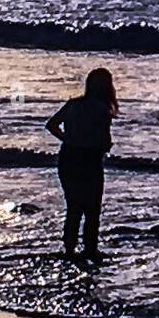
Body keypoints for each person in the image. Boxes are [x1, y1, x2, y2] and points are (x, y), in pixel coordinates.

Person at [46, 68, 118, 261]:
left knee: (74, 206)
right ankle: (90, 249)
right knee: (92, 208)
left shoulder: (74, 104)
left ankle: (69, 248)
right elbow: (103, 140)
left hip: (69, 156)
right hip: (90, 158)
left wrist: (68, 138)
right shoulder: (102, 110)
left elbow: (51, 125)